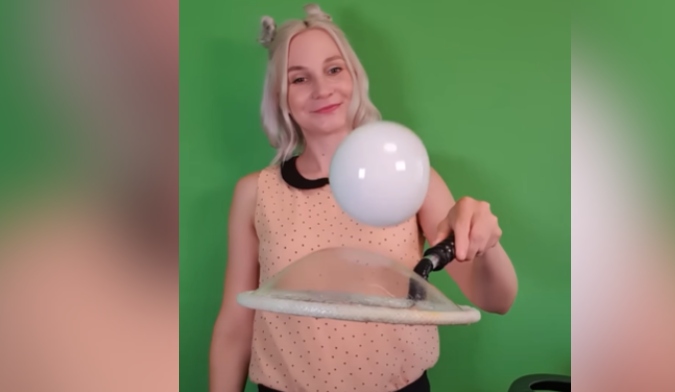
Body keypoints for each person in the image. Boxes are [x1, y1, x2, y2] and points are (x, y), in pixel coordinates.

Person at [209, 4, 518, 392]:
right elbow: (235, 325)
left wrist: (486, 243)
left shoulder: (410, 175)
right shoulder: (256, 192)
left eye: (334, 69)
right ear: (280, 96)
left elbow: (498, 299)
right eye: (299, 78)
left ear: (354, 76)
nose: (322, 89)